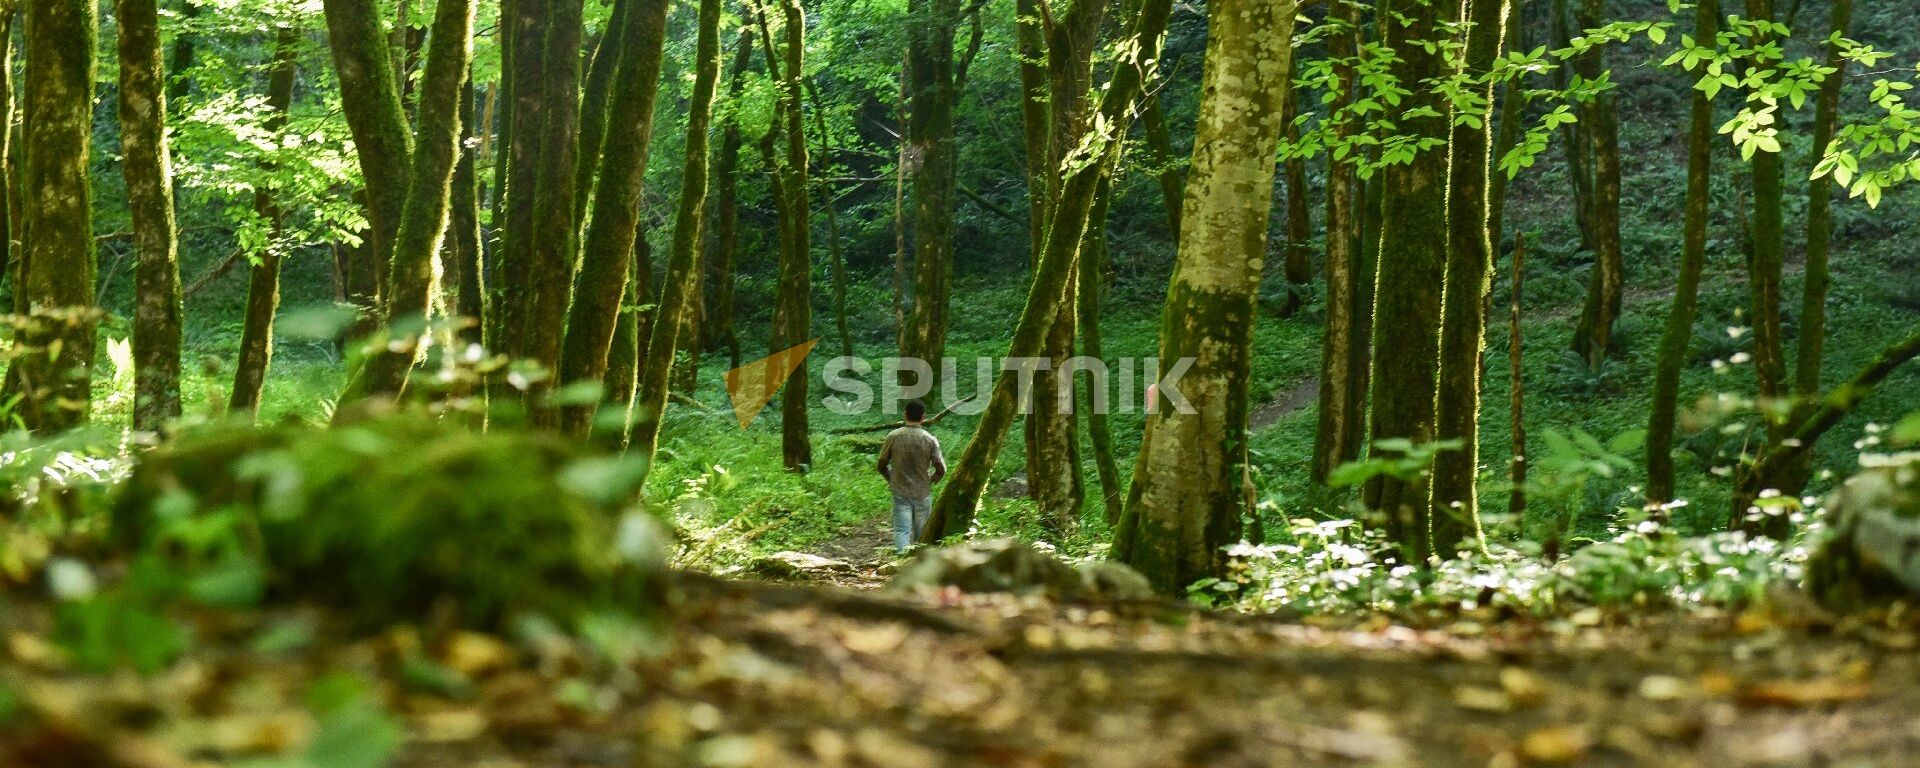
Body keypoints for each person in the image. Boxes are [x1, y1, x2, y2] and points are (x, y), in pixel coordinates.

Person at [876, 400, 946, 553]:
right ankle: (919, 564)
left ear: (905, 414)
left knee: (902, 530)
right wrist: (931, 479)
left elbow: (881, 464)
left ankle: (901, 561)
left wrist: (891, 478)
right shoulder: (930, 439)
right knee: (922, 534)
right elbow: (941, 469)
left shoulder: (893, 436)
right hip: (922, 492)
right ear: (923, 417)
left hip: (900, 491)